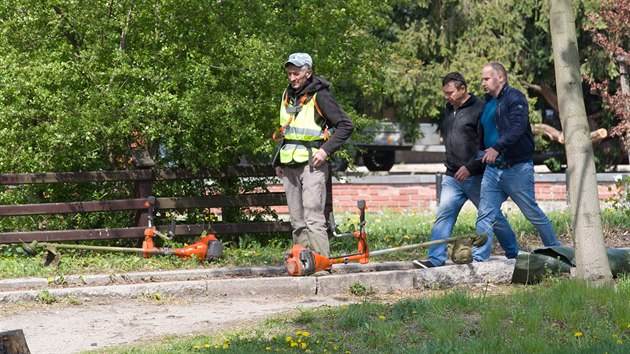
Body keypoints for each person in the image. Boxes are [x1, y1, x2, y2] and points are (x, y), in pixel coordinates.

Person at [413, 72, 519, 269]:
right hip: (452, 177)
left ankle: (514, 254)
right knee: (444, 215)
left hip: (476, 176)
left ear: (462, 89)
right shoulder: (449, 108)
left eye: (450, 92)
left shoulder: (481, 109)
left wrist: (470, 167)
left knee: (493, 217)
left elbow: (487, 144)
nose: (446, 97)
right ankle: (435, 259)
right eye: (444, 93)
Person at [474, 62, 562, 260]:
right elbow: (483, 132)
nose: (483, 83)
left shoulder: (515, 98)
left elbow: (518, 127)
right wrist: (481, 153)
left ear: (501, 78)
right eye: (482, 79)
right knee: (486, 214)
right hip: (492, 170)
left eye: (486, 79)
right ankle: (479, 259)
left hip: (516, 168)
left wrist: (497, 147)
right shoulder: (488, 102)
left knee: (531, 212)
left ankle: (557, 251)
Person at [273, 53, 354, 259]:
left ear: (308, 73)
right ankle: (302, 262)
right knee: (296, 220)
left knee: (313, 218)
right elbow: (286, 130)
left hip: (312, 165)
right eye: (289, 73)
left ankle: (320, 264)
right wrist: (277, 160)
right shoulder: (287, 94)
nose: (292, 78)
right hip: (289, 164)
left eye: (296, 73)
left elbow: (346, 125)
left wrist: (325, 150)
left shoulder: (321, 95)